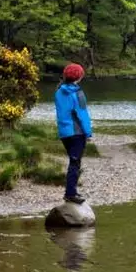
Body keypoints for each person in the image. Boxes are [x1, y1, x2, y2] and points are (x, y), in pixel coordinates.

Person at [54, 63, 93, 203]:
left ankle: (71, 192)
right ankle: (71, 193)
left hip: (64, 132)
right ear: (80, 76)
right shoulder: (78, 93)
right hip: (77, 132)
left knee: (73, 161)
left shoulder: (58, 91)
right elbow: (82, 114)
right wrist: (88, 133)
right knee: (75, 163)